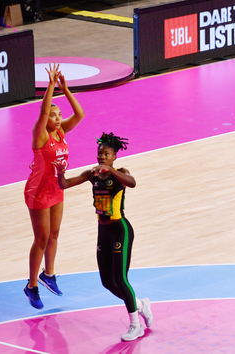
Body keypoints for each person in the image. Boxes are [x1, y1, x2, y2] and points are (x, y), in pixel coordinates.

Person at [55, 132, 154, 341]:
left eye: (106, 154)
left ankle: (135, 325)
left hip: (120, 229)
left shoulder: (119, 173)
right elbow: (64, 184)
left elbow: (132, 182)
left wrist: (111, 170)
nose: (102, 157)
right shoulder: (92, 175)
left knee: (120, 278)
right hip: (103, 232)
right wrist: (59, 172)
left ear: (114, 157)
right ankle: (142, 305)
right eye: (100, 154)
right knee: (107, 282)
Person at [23, 64, 85, 309]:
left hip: (57, 188)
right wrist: (50, 86)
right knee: (41, 238)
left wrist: (66, 90)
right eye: (54, 115)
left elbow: (80, 115)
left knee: (55, 234)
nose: (58, 119)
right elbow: (42, 111)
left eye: (59, 116)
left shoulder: (61, 132)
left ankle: (48, 275)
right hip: (38, 190)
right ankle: (31, 286)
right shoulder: (40, 134)